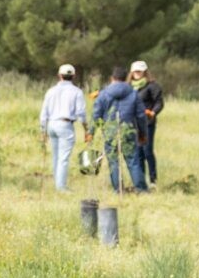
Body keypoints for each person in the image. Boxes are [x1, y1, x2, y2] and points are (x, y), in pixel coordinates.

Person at [90, 66, 148, 193]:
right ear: (125, 78)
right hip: (128, 131)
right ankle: (141, 189)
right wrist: (143, 133)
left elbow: (96, 115)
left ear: (112, 78)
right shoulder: (133, 94)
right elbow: (141, 116)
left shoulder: (103, 94)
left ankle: (118, 189)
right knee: (133, 161)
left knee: (113, 161)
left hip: (110, 131)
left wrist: (91, 132)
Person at [39, 64, 88, 192]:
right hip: (65, 124)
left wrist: (43, 130)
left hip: (51, 124)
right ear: (73, 76)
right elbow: (81, 113)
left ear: (59, 75)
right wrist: (86, 129)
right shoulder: (77, 92)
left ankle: (57, 183)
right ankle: (61, 187)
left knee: (56, 155)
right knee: (63, 157)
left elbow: (44, 113)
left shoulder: (51, 91)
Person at [129, 61, 164, 186]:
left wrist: (153, 112)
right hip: (133, 124)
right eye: (135, 71)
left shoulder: (152, 86)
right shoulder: (129, 86)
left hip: (147, 123)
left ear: (144, 72)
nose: (137, 73)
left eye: (139, 71)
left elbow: (159, 102)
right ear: (132, 72)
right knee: (138, 153)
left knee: (147, 151)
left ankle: (153, 179)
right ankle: (141, 179)